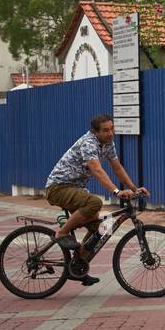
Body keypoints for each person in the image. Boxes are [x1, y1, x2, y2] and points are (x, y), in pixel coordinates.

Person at [45, 114, 148, 286]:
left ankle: (78, 267)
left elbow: (117, 167)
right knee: (95, 203)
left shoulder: (108, 144)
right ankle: (62, 233)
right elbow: (97, 169)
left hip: (75, 190)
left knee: (104, 227)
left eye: (112, 129)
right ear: (95, 132)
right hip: (58, 187)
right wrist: (116, 191)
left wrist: (134, 189)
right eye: (106, 130)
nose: (110, 133)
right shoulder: (88, 143)